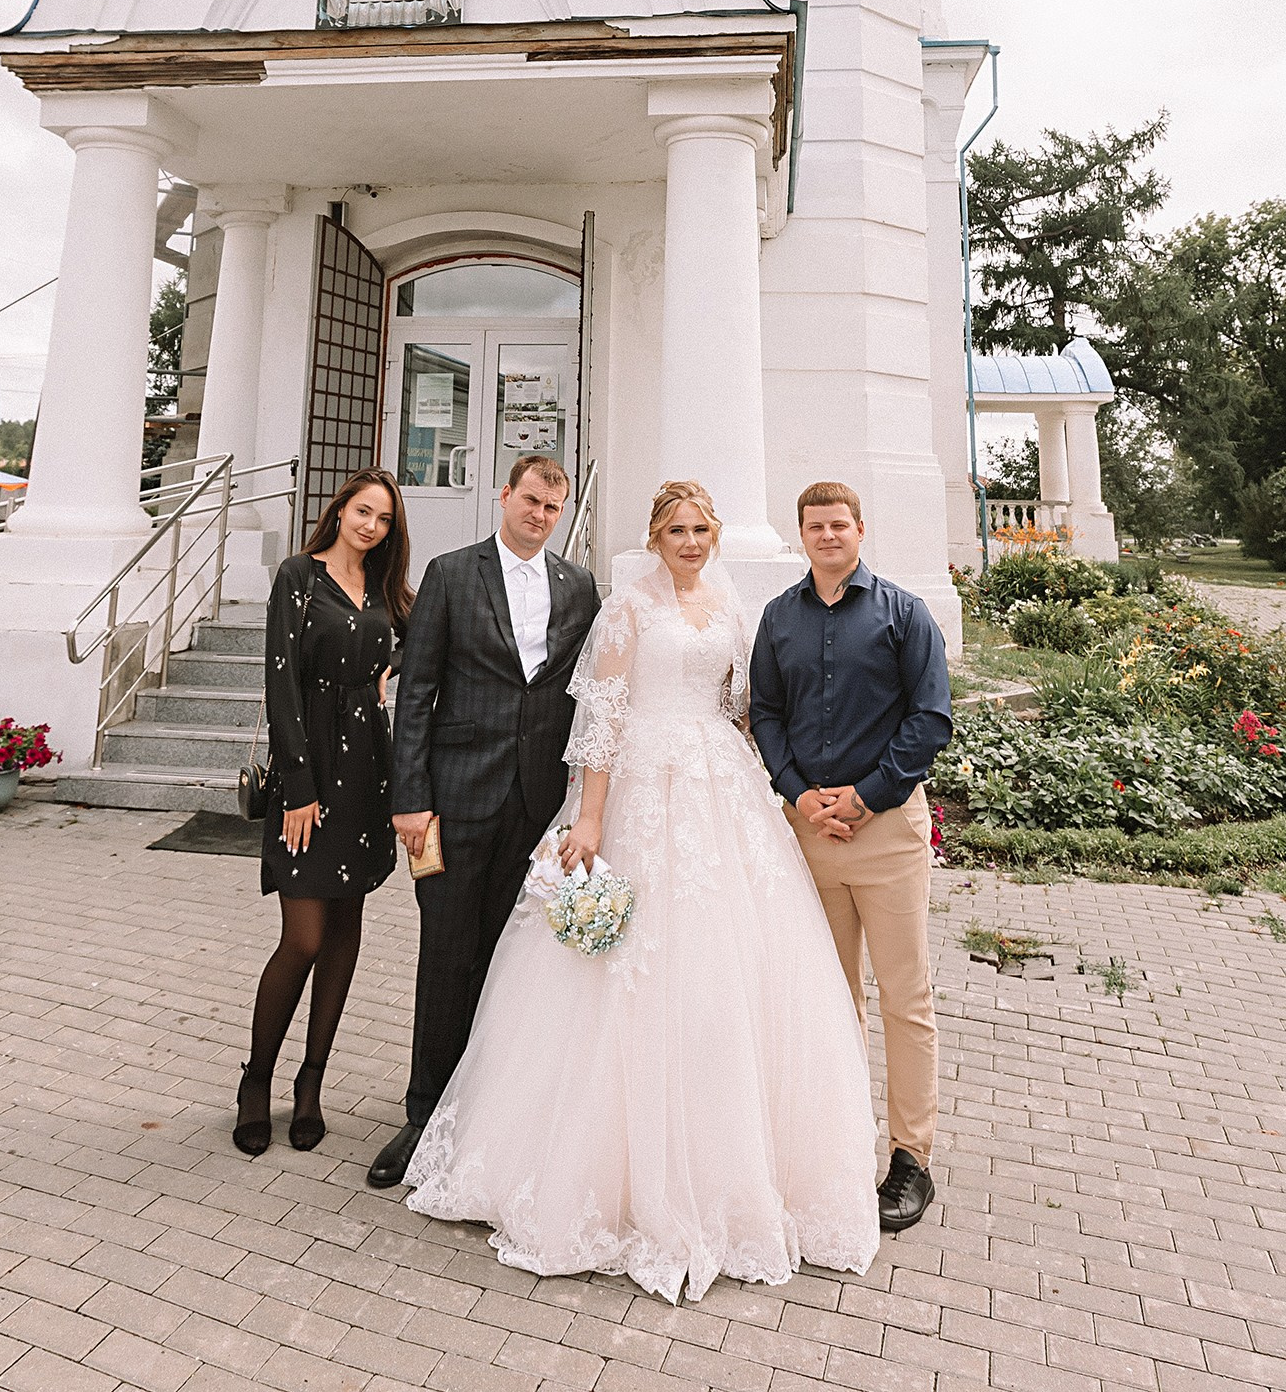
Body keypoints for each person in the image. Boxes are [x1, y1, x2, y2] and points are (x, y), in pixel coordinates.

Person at [401, 480, 881, 1302]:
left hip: (719, 787)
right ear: (654, 537)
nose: (690, 542)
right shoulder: (626, 608)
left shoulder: (731, 606)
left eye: (701, 529)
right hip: (638, 792)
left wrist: (779, 790)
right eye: (676, 530)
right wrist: (590, 819)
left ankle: (742, 1164)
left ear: (715, 535)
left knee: (731, 969)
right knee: (620, 967)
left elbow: (742, 711)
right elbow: (603, 718)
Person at [366, 453, 601, 1189]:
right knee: (447, 954)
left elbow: (590, 693)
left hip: (535, 804)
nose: (540, 516)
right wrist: (409, 797)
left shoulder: (579, 586)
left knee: (507, 962)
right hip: (454, 797)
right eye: (530, 501)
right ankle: (422, 1115)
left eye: (553, 508)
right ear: (505, 495)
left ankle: (484, 1110)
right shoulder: (450, 574)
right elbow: (418, 691)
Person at [748, 480, 953, 1236]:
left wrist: (866, 797)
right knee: (829, 1000)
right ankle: (835, 1145)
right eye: (815, 526)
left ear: (860, 530)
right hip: (809, 835)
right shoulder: (778, 617)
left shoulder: (905, 613)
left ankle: (910, 1157)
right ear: (801, 534)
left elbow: (930, 718)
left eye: (839, 524)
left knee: (904, 998)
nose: (828, 536)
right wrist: (799, 794)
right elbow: (766, 714)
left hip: (886, 830)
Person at [233, 468, 412, 1158]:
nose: (371, 526)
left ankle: (311, 1084)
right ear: (340, 511)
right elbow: (280, 683)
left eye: (384, 519)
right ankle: (257, 1080)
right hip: (309, 773)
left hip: (368, 771)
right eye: (363, 512)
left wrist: (391, 668)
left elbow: (423, 642)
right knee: (303, 938)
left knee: (344, 934)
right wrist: (299, 787)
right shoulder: (298, 577)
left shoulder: (388, 590)